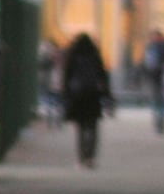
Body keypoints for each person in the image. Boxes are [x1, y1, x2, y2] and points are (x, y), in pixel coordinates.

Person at [59, 32, 113, 169]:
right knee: (93, 128)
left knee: (80, 130)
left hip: (77, 97)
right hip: (93, 96)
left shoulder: (72, 57)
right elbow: (103, 77)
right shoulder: (95, 56)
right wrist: (106, 95)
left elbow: (66, 78)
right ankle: (91, 157)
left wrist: (65, 95)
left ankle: (81, 158)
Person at [140, 29, 164, 135]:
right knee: (160, 99)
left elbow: (145, 63)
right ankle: (160, 119)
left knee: (157, 99)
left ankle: (159, 119)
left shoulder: (152, 47)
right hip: (163, 77)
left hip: (157, 77)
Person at [36, 37, 64, 128]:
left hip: (56, 81)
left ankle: (56, 120)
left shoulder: (60, 56)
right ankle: (51, 121)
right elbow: (41, 65)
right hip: (50, 81)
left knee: (56, 102)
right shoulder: (46, 57)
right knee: (50, 102)